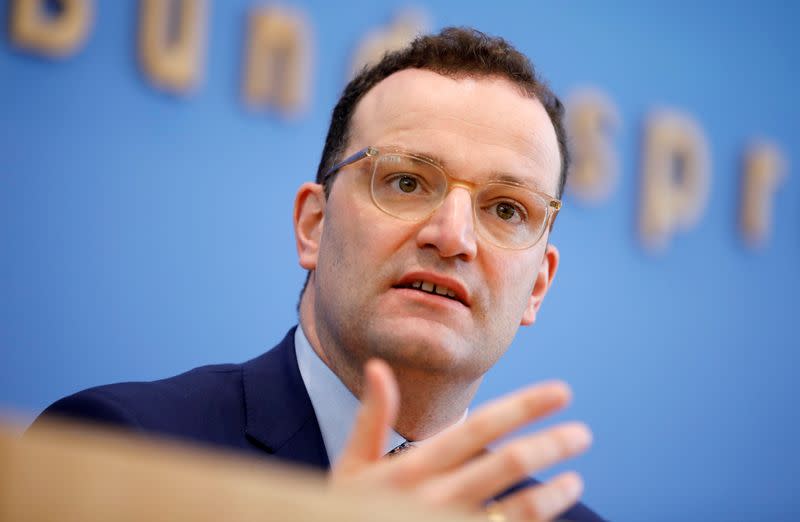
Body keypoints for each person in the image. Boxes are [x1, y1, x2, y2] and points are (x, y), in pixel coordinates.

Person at [34, 27, 604, 521]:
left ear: (536, 287)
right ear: (313, 224)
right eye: (406, 182)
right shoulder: (119, 450)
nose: (453, 237)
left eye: (506, 209)